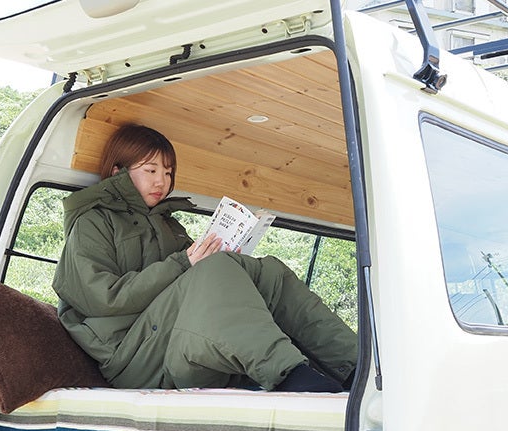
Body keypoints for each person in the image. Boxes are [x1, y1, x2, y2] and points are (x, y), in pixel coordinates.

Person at [52, 123, 357, 392]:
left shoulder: (168, 225)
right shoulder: (91, 223)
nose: (162, 182)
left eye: (168, 173)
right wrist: (184, 263)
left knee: (269, 271)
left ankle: (355, 365)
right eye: (151, 171)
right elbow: (103, 298)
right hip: (134, 358)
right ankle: (288, 374)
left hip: (168, 335)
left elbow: (192, 278)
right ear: (117, 171)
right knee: (215, 267)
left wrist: (228, 257)